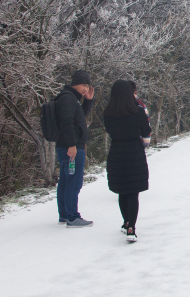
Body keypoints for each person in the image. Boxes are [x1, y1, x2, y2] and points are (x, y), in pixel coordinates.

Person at [102, 80, 151, 242]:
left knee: (122, 190)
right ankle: (132, 227)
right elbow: (146, 131)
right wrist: (144, 143)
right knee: (133, 192)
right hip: (134, 152)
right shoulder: (137, 112)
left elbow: (110, 131)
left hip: (116, 153)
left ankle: (126, 222)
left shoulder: (108, 113)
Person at [55, 70, 96, 227]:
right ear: (75, 83)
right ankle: (72, 216)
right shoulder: (67, 99)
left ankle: (65, 215)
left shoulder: (71, 98)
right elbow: (67, 123)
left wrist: (88, 101)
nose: (86, 89)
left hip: (68, 147)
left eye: (88, 86)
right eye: (83, 85)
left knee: (66, 181)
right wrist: (72, 145)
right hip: (71, 148)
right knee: (74, 182)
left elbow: (79, 118)